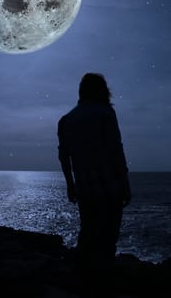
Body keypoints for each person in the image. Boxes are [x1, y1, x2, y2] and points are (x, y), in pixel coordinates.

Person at [57, 73, 131, 296]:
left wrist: (70, 184)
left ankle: (83, 280)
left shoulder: (66, 120)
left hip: (85, 188)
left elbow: (64, 156)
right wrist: (125, 183)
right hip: (109, 185)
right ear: (101, 90)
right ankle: (102, 285)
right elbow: (116, 151)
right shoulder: (105, 114)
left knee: (88, 232)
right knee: (108, 237)